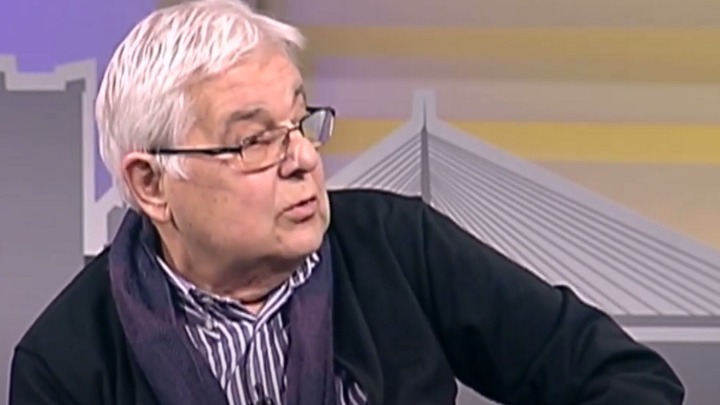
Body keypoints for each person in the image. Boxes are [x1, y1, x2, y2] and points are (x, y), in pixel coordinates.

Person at [8, 0, 684, 404]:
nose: (303, 158)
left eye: (301, 122)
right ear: (151, 183)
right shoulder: (64, 362)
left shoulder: (397, 246)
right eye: (254, 140)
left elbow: (626, 379)